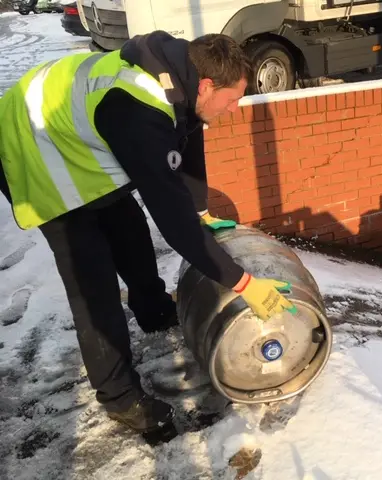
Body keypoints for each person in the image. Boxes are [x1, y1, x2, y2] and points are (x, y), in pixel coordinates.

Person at [0, 31, 297, 433]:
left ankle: (154, 311)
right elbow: (172, 219)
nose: (233, 110)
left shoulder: (184, 79)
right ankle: (120, 399)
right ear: (208, 86)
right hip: (33, 146)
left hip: (78, 139)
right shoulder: (139, 108)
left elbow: (188, 143)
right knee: (93, 282)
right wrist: (243, 283)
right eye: (232, 100)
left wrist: (202, 211)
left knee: (130, 230)